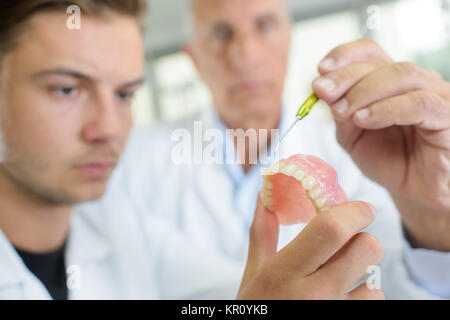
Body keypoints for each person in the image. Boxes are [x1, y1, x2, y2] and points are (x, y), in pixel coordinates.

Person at [0, 0, 384, 300]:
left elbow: (240, 293)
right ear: (193, 58)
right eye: (66, 89)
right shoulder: (132, 184)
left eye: (124, 94)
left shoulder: (122, 229)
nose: (109, 129)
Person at [110, 0, 450, 299]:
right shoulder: (130, 161)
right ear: (194, 58)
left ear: (289, 37)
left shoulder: (367, 151)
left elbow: (396, 284)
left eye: (264, 26)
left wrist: (431, 219)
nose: (246, 55)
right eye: (221, 33)